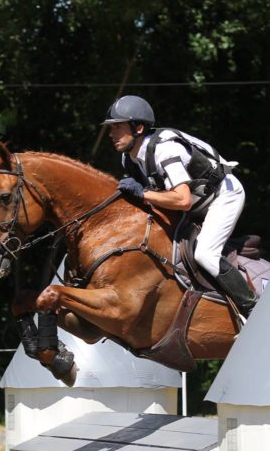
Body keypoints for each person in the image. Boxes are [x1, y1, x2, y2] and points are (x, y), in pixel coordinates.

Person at [102, 95, 257, 316]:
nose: (111, 134)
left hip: (223, 196)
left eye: (117, 127)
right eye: (111, 128)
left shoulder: (165, 150)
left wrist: (143, 193)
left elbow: (182, 200)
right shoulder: (129, 159)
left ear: (137, 128)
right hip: (196, 203)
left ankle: (252, 309)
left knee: (205, 254)